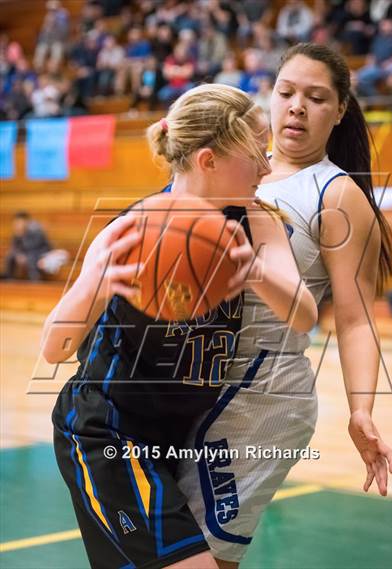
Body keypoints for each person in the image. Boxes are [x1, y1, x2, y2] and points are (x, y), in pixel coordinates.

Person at [45, 83, 318, 569]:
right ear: (208, 160)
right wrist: (96, 286)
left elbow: (304, 315)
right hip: (108, 432)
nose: (268, 166)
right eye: (258, 152)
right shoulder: (130, 231)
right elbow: (53, 347)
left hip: (180, 438)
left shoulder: (257, 222)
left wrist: (254, 271)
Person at [176, 43, 392, 567]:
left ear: (339, 110)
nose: (297, 106)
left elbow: (355, 317)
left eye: (316, 97)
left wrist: (361, 409)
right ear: (269, 96)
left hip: (261, 398)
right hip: (186, 383)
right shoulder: (226, 166)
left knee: (204, 558)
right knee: (158, 548)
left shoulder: (336, 194)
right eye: (287, 91)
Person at [356, 18, 392, 97]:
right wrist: (370, 64)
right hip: (377, 66)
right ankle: (376, 99)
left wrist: (390, 62)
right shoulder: (378, 38)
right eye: (383, 25)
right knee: (359, 78)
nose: (384, 27)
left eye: (387, 25)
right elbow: (372, 54)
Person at [2, 211, 51, 281]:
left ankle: (35, 278)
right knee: (10, 255)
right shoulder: (18, 232)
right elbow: (14, 247)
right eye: (16, 223)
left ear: (26, 222)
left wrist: (22, 235)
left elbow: (34, 246)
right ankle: (9, 277)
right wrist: (19, 255)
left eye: (19, 222)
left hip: (40, 252)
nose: (17, 225)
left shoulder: (36, 230)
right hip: (26, 253)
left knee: (31, 257)